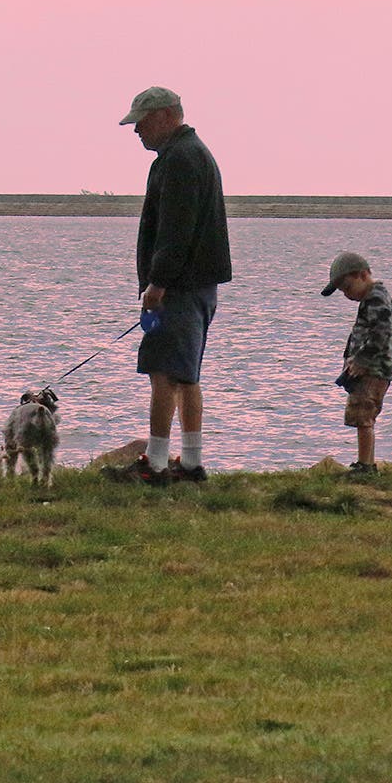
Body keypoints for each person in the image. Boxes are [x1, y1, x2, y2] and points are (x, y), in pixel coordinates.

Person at [106, 86, 232, 485]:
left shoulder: (180, 158)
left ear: (164, 116)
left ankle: (156, 465)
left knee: (164, 373)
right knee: (186, 374)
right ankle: (191, 463)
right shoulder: (189, 153)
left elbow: (175, 231)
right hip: (197, 285)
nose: (136, 130)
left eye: (141, 122)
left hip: (179, 287)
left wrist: (157, 283)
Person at [321, 251, 392, 473]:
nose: (346, 295)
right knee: (363, 415)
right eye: (342, 291)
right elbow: (365, 333)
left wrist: (362, 360)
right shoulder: (372, 299)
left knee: (363, 416)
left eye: (347, 288)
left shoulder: (376, 299)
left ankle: (365, 465)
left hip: (373, 369)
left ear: (363, 275)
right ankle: (366, 463)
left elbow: (381, 334)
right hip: (369, 368)